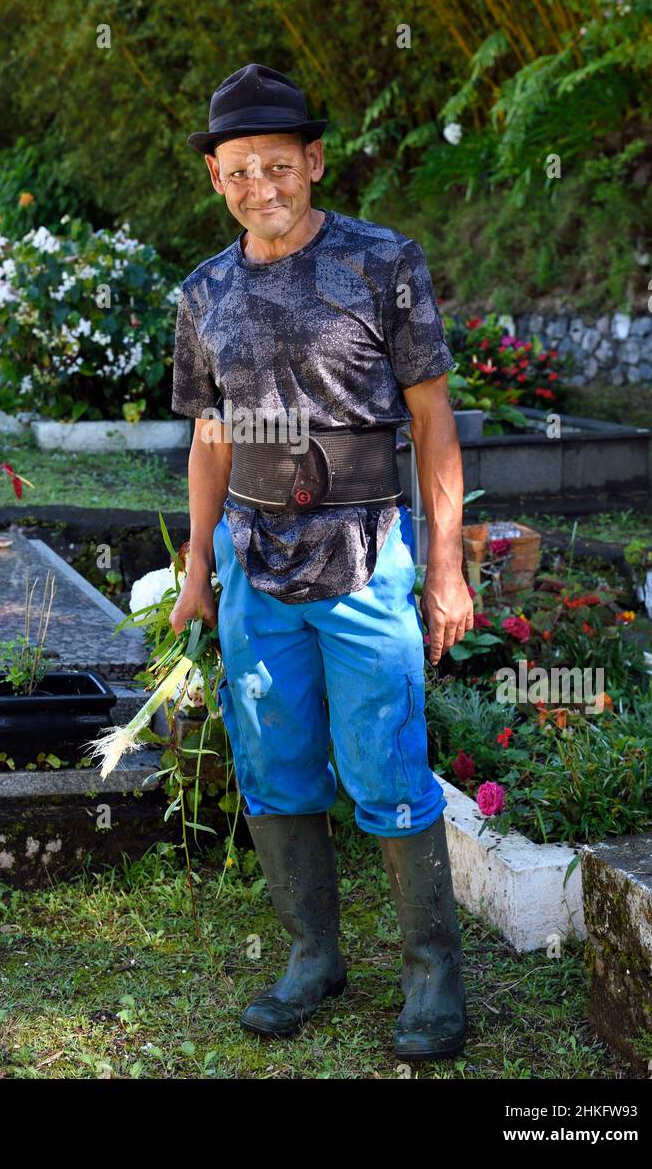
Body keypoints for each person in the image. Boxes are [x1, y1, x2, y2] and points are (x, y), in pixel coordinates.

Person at [168, 62, 473, 1060]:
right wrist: (197, 571)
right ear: (217, 177)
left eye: (278, 163)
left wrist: (446, 567)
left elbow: (432, 418)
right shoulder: (203, 293)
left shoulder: (383, 262)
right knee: (274, 765)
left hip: (367, 552)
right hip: (253, 562)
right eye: (239, 167)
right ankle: (312, 957)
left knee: (388, 764)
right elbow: (210, 438)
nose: (262, 183)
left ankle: (431, 978)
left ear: (315, 161)